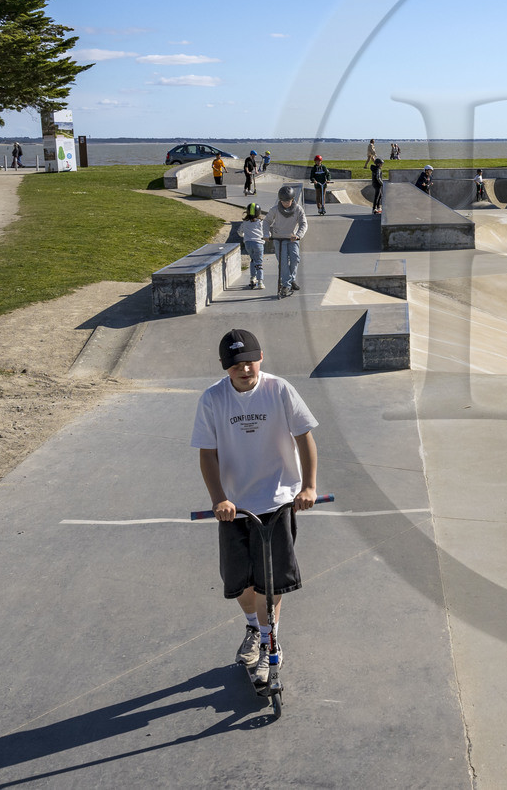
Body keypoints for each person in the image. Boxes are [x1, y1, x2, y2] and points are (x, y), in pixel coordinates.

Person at [192, 328, 320, 691]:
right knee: (239, 581)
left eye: (249, 361)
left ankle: (268, 642)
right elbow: (207, 454)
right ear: (225, 366)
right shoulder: (213, 399)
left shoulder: (279, 390)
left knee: (270, 578)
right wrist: (219, 498)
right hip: (234, 506)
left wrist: (308, 487)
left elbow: (305, 438)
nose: (244, 369)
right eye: (236, 365)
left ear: (260, 357)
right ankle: (254, 627)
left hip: (277, 499)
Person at [265, 185, 307, 297]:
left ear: (292, 199)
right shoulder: (275, 209)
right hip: (279, 238)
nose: (285, 203)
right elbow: (266, 221)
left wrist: (298, 235)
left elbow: (303, 223)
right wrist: (266, 234)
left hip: (292, 238)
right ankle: (286, 285)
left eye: (288, 201)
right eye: (283, 201)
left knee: (295, 259)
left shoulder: (298, 209)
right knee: (283, 262)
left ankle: (291, 279)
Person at [240, 202, 267, 289]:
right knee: (259, 262)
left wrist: (244, 236)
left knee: (252, 260)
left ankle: (252, 278)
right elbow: (266, 232)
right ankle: (260, 282)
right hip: (258, 243)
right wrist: (267, 236)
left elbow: (240, 232)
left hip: (248, 243)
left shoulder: (245, 222)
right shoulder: (260, 222)